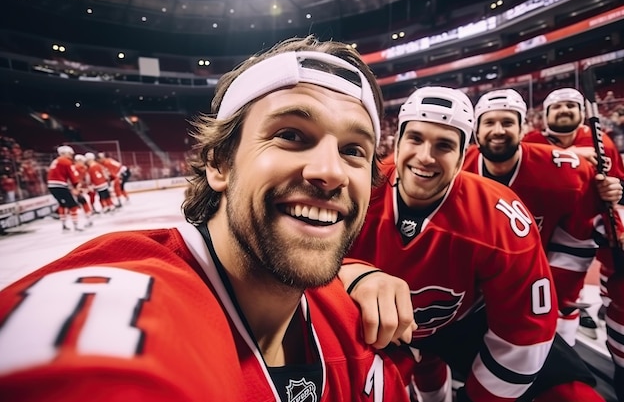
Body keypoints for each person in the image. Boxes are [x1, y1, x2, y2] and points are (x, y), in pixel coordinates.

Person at [0, 36, 411, 402]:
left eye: (354, 149)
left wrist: (357, 273)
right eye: (290, 134)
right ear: (219, 164)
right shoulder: (132, 306)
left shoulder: (355, 321)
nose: (331, 171)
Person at [339, 86, 604, 402]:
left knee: (574, 395)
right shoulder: (355, 188)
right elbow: (301, 265)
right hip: (378, 322)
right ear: (396, 142)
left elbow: (524, 334)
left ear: (463, 155)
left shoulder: (501, 217)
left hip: (470, 319)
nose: (425, 157)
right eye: (415, 139)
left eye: (444, 145)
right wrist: (350, 272)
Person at [463, 88, 622, 346]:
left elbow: (590, 220)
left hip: (539, 259)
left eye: (507, 122)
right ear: (476, 131)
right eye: (489, 122)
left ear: (522, 129)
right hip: (479, 268)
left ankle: (563, 337)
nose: (499, 130)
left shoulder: (570, 170)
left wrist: (611, 190)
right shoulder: (457, 166)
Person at [523, 87, 624, 400]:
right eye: (558, 106)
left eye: (571, 105)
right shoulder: (532, 142)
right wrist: (575, 156)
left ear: (582, 112)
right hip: (545, 230)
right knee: (549, 299)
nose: (565, 110)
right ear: (545, 114)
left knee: (597, 295)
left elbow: (621, 184)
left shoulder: (602, 141)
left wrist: (617, 188)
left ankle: (581, 359)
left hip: (590, 226)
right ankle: (553, 360)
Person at [45, 145, 84, 232]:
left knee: (62, 204)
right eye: (70, 153)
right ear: (64, 153)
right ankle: (76, 225)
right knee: (73, 205)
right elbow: (73, 176)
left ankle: (64, 225)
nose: (71, 155)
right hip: (60, 185)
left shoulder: (55, 161)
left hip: (52, 186)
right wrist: (76, 186)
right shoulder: (66, 161)